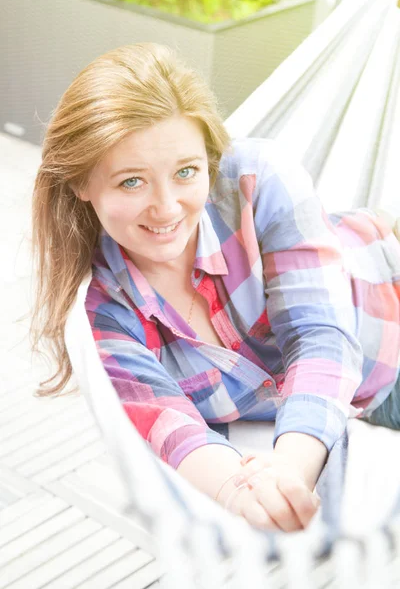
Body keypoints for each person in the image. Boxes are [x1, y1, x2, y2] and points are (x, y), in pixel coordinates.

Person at [31, 42, 400, 534]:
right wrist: (244, 492)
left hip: (386, 320)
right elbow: (175, 430)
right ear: (81, 182)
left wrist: (290, 468)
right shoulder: (107, 315)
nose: (166, 208)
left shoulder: (257, 179)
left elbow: (321, 336)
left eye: (186, 172)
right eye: (131, 182)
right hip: (350, 405)